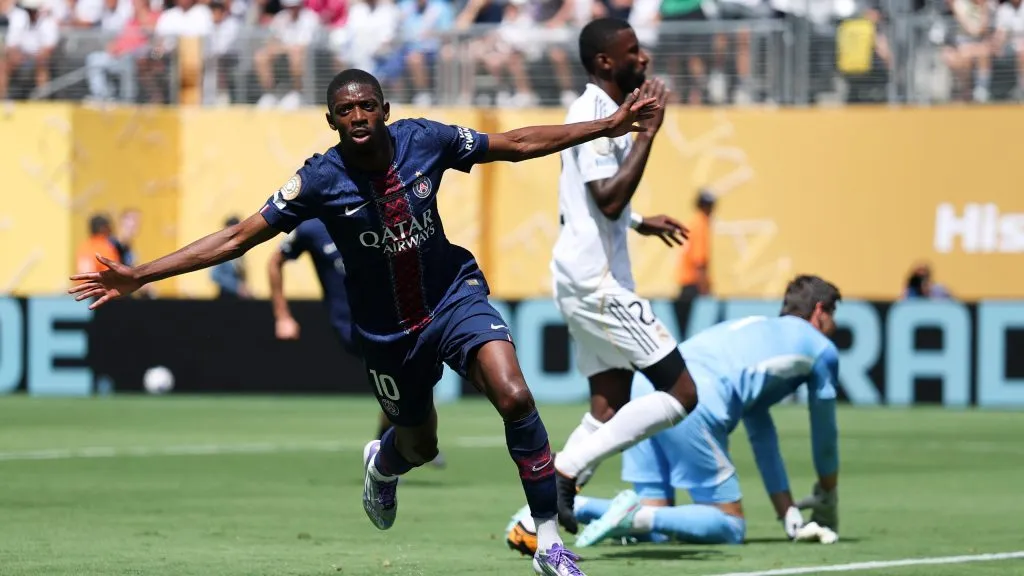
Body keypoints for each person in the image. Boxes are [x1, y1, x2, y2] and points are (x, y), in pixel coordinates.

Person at [69, 67, 660, 576]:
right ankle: (383, 465)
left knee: (513, 395)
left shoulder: (425, 140)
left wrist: (606, 127)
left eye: (366, 106)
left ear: (384, 110)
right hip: (387, 334)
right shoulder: (319, 180)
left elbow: (515, 142)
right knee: (419, 445)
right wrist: (142, 273)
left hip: (453, 295)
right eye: (345, 109)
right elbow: (238, 237)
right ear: (332, 120)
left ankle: (550, 542)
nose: (357, 115)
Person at [507, 275, 842, 554]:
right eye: (833, 315)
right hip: (692, 397)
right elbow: (825, 435)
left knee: (661, 523)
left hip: (646, 391)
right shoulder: (821, 348)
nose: (833, 326)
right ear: (819, 312)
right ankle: (634, 517)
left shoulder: (756, 328)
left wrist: (788, 514)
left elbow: (761, 434)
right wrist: (828, 494)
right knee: (730, 525)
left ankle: (544, 512)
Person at [548, 17, 699, 535]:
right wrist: (650, 133)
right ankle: (563, 471)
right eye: (633, 51)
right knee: (681, 393)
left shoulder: (606, 113)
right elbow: (607, 199)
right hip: (596, 281)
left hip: (583, 274)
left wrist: (641, 220)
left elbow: (589, 197)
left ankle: (536, 516)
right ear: (606, 62)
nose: (645, 59)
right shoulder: (591, 112)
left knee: (608, 409)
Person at [267, 218, 446, 468]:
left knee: (411, 378)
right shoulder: (311, 228)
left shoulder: (369, 214)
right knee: (404, 378)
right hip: (352, 326)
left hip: (390, 318)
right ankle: (403, 444)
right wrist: (282, 316)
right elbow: (275, 261)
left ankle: (399, 445)